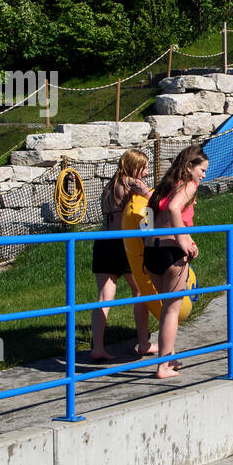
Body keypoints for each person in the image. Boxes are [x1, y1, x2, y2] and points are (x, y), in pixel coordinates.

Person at [144, 145, 209, 379]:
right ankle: (163, 367)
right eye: (201, 170)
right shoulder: (188, 185)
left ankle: (168, 356)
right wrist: (182, 241)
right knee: (172, 310)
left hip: (152, 251)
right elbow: (174, 209)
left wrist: (187, 238)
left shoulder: (162, 186)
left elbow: (148, 219)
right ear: (189, 167)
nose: (203, 175)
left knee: (166, 310)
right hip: (172, 253)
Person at [91, 149, 155, 362]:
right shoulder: (131, 183)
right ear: (134, 166)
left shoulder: (109, 186)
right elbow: (153, 200)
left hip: (103, 243)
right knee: (140, 292)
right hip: (123, 244)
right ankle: (144, 343)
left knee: (104, 297)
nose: (145, 173)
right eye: (143, 168)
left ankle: (97, 347)